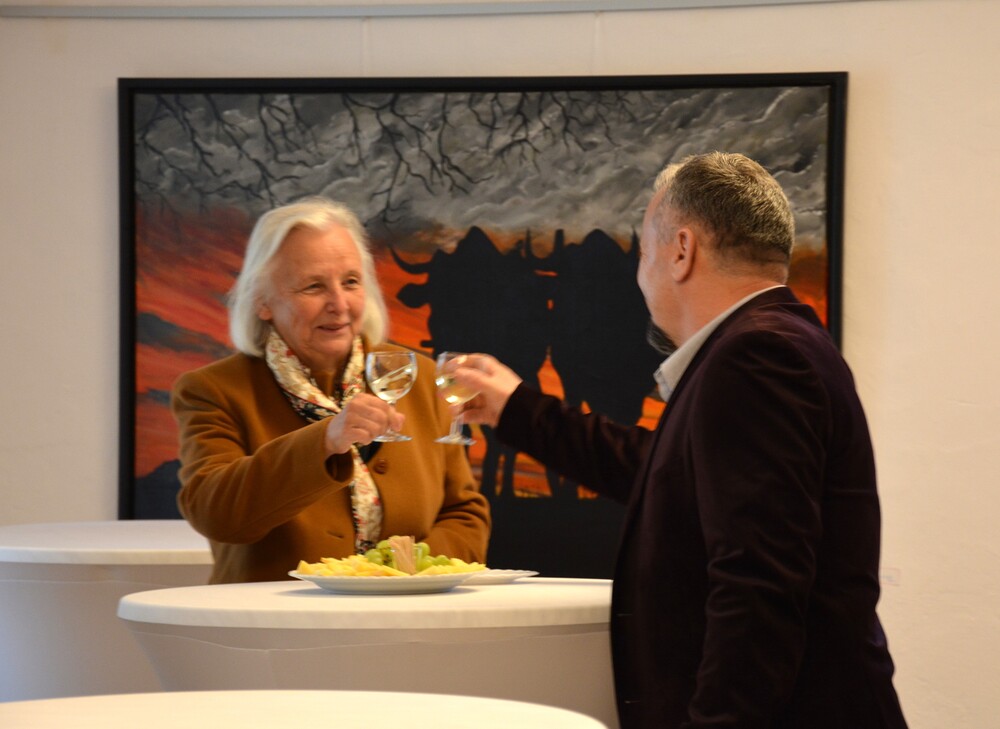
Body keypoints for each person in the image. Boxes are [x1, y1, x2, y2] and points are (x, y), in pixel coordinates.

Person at [450, 153, 907, 728]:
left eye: (644, 251)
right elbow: (661, 472)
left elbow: (757, 591)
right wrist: (519, 409)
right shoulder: (776, 342)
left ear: (682, 250)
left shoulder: (756, 359)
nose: (640, 273)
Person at [171, 197, 490, 584]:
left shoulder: (418, 378)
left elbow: (465, 514)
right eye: (314, 286)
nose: (339, 304)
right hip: (278, 618)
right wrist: (324, 441)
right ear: (262, 302)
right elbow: (214, 515)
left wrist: (403, 573)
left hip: (405, 615)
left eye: (351, 282)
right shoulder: (212, 390)